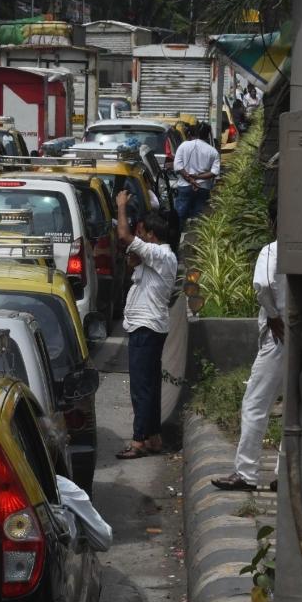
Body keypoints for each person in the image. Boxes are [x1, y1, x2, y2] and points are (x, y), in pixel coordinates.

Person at [211, 201, 288, 491]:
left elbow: (263, 284)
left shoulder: (272, 249)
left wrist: (272, 314)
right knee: (295, 408)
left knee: (255, 403)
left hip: (277, 336)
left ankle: (246, 473)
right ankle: (285, 472)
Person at [113, 190, 177, 459]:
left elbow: (124, 237)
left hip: (146, 328)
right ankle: (153, 437)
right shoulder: (155, 258)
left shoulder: (160, 255)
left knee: (141, 386)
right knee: (148, 385)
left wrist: (121, 207)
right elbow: (130, 258)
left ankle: (139, 440)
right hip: (148, 326)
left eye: (144, 233)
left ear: (151, 234)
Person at [172, 123, 221, 223]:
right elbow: (214, 172)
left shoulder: (184, 145)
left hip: (185, 186)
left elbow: (178, 166)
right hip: (203, 188)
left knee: (179, 217)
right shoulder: (213, 151)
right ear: (208, 135)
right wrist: (198, 178)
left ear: (196, 132)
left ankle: (177, 236)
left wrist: (191, 179)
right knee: (199, 219)